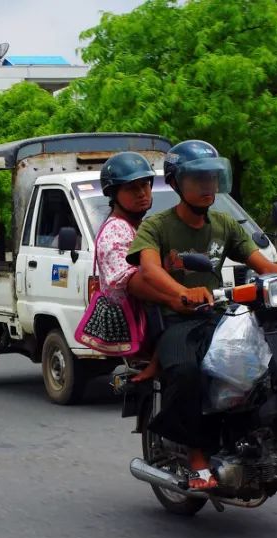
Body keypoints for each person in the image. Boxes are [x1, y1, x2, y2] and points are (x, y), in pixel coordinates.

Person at [126, 140, 277, 491]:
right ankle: (196, 456)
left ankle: (255, 438)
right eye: (198, 178)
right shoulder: (157, 227)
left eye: (213, 178)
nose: (208, 186)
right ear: (176, 183)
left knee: (265, 364)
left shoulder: (224, 224)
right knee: (189, 372)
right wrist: (181, 292)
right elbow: (148, 270)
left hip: (218, 317)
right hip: (176, 321)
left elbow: (264, 265)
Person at [93, 152, 184, 381]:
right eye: (132, 188)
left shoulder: (141, 227)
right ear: (114, 194)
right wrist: (176, 297)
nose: (142, 192)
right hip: (139, 318)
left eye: (145, 184)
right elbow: (133, 283)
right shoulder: (115, 231)